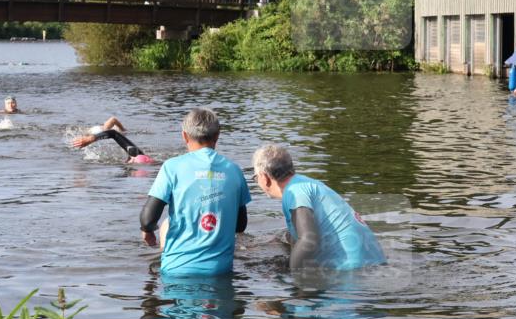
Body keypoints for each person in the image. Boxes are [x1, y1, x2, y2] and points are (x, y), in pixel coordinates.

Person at [139, 108, 251, 277]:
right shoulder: (234, 170)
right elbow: (240, 225)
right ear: (217, 136)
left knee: (167, 223)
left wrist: (147, 231)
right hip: (220, 271)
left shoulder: (171, 167)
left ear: (184, 136)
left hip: (176, 270)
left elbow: (148, 219)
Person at [252, 145, 384, 270]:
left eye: (255, 177)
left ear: (264, 178)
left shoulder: (295, 192)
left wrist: (295, 280)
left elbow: (308, 239)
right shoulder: (306, 183)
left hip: (352, 275)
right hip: (376, 264)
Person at [72, 116, 153, 164]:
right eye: (131, 160)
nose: (129, 161)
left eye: (130, 161)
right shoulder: (135, 153)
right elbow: (113, 133)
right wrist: (90, 139)